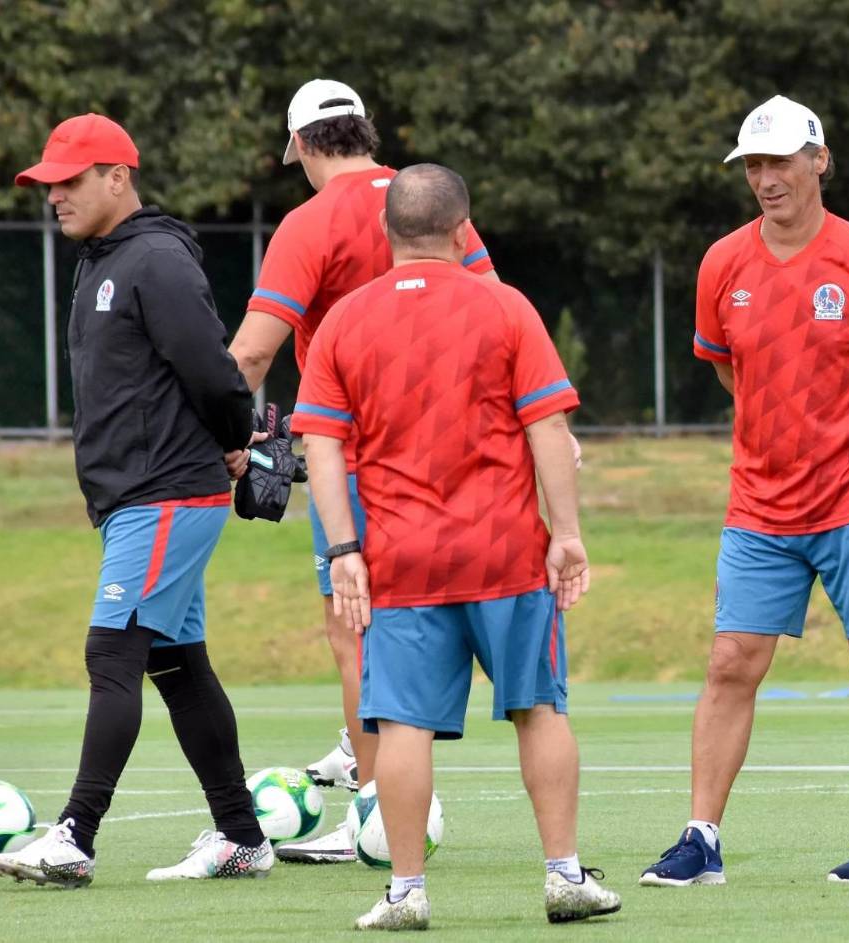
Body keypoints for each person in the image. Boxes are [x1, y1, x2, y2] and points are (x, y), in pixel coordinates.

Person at [296, 164, 621, 931]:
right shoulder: (506, 308)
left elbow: (320, 444)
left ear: (387, 232)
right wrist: (567, 534)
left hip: (400, 562)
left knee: (403, 726)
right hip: (505, 553)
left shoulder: (344, 319)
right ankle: (564, 876)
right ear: (463, 229)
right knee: (538, 707)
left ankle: (406, 891)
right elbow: (548, 430)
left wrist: (345, 547)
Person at [639, 95, 849, 888]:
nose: (766, 180)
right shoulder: (722, 263)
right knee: (731, 661)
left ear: (819, 160)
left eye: (779, 162)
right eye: (754, 166)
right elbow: (726, 367)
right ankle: (700, 840)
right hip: (760, 504)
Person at [0, 113, 271, 887]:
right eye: (48, 184)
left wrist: (236, 438)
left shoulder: (153, 258)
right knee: (178, 663)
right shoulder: (99, 260)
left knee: (111, 653)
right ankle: (242, 835)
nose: (54, 196)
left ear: (118, 177)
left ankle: (75, 834)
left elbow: (215, 374)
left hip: (168, 493)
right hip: (140, 496)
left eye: (70, 181)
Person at [227, 79, 497, 864]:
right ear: (365, 133)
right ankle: (371, 758)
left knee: (354, 625)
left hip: (358, 449)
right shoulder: (428, 201)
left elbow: (251, 351)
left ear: (306, 145)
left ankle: (376, 811)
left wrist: (216, 430)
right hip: (457, 447)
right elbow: (494, 308)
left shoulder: (311, 221)